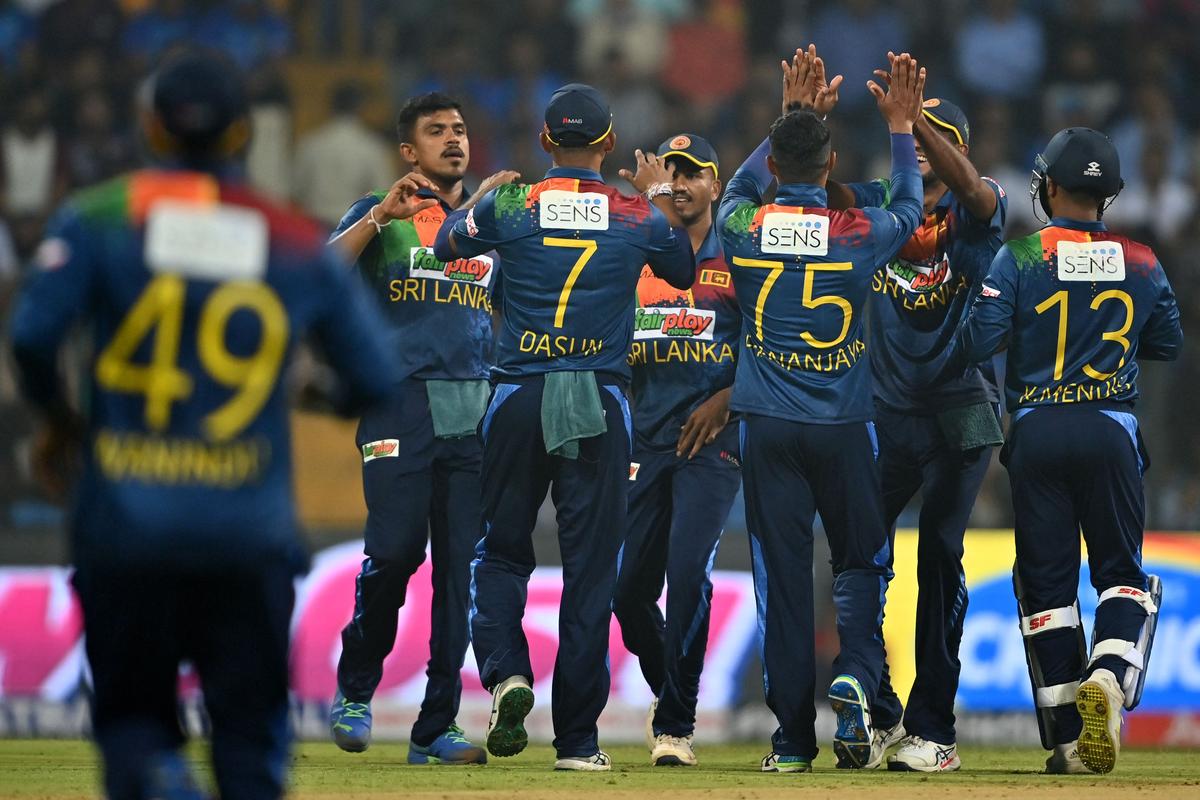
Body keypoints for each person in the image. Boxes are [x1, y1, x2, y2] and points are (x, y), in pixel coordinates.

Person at [8, 51, 397, 800]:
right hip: (246, 536)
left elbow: (30, 338)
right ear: (244, 132)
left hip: (126, 528)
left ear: (150, 126)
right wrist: (308, 388)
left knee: (134, 727)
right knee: (249, 748)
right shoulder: (288, 237)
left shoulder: (100, 217)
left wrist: (60, 422)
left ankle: (162, 781)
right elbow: (375, 378)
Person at [433, 82, 695, 771]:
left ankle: (506, 672)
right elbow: (682, 269)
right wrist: (656, 195)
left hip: (518, 394)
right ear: (608, 143)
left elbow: (443, 243)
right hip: (600, 401)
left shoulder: (512, 204)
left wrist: (481, 197)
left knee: (500, 552)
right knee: (590, 574)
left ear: (546, 140)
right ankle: (577, 743)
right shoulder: (637, 213)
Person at [943, 127, 1181, 775]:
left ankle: (1072, 744)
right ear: (1111, 194)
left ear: (1047, 186)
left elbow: (977, 342)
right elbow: (1167, 342)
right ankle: (1109, 674)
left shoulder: (1020, 256)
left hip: (1038, 432)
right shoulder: (1142, 259)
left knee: (1047, 590)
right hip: (1110, 430)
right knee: (1121, 575)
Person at [718, 52, 926, 773]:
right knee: (861, 562)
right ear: (832, 163)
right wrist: (901, 127)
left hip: (768, 425)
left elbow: (736, 187)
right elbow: (911, 205)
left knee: (781, 578)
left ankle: (790, 743)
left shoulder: (743, 226)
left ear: (776, 164)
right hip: (843, 425)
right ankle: (858, 675)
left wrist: (792, 116)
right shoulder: (860, 231)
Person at [807, 44, 1009, 771]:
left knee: (941, 558)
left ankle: (936, 731)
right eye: (918, 133)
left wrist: (912, 121)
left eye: (940, 137)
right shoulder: (879, 202)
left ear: (957, 151)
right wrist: (806, 124)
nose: (924, 145)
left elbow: (974, 188)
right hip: (886, 414)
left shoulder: (980, 209)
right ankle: (881, 708)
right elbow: (811, 191)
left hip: (962, 410)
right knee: (856, 551)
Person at [327, 92, 518, 765]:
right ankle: (355, 689)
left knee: (460, 576)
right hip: (399, 405)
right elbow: (320, 275)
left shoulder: (487, 225)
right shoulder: (383, 213)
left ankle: (435, 727)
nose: (453, 139)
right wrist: (379, 216)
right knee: (396, 553)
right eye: (436, 131)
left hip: (472, 407)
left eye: (459, 129)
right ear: (409, 151)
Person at [612, 133, 741, 768]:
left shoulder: (738, 256)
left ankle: (676, 725)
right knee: (628, 593)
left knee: (688, 574)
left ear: (717, 185)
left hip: (712, 443)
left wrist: (729, 398)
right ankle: (673, 687)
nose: (683, 183)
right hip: (644, 438)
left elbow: (775, 340)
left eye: (695, 173)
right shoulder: (638, 251)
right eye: (673, 173)